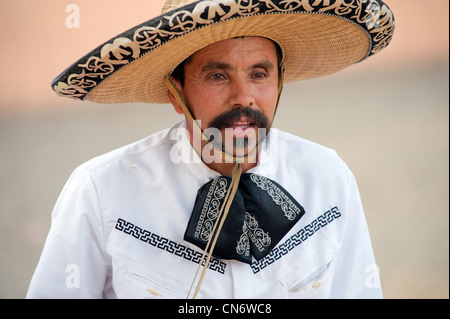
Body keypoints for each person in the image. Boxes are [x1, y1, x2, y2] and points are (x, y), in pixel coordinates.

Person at [27, 0, 395, 299]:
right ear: (177, 92)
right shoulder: (100, 190)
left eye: (259, 74)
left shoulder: (327, 178)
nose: (243, 97)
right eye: (217, 75)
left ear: (279, 83)